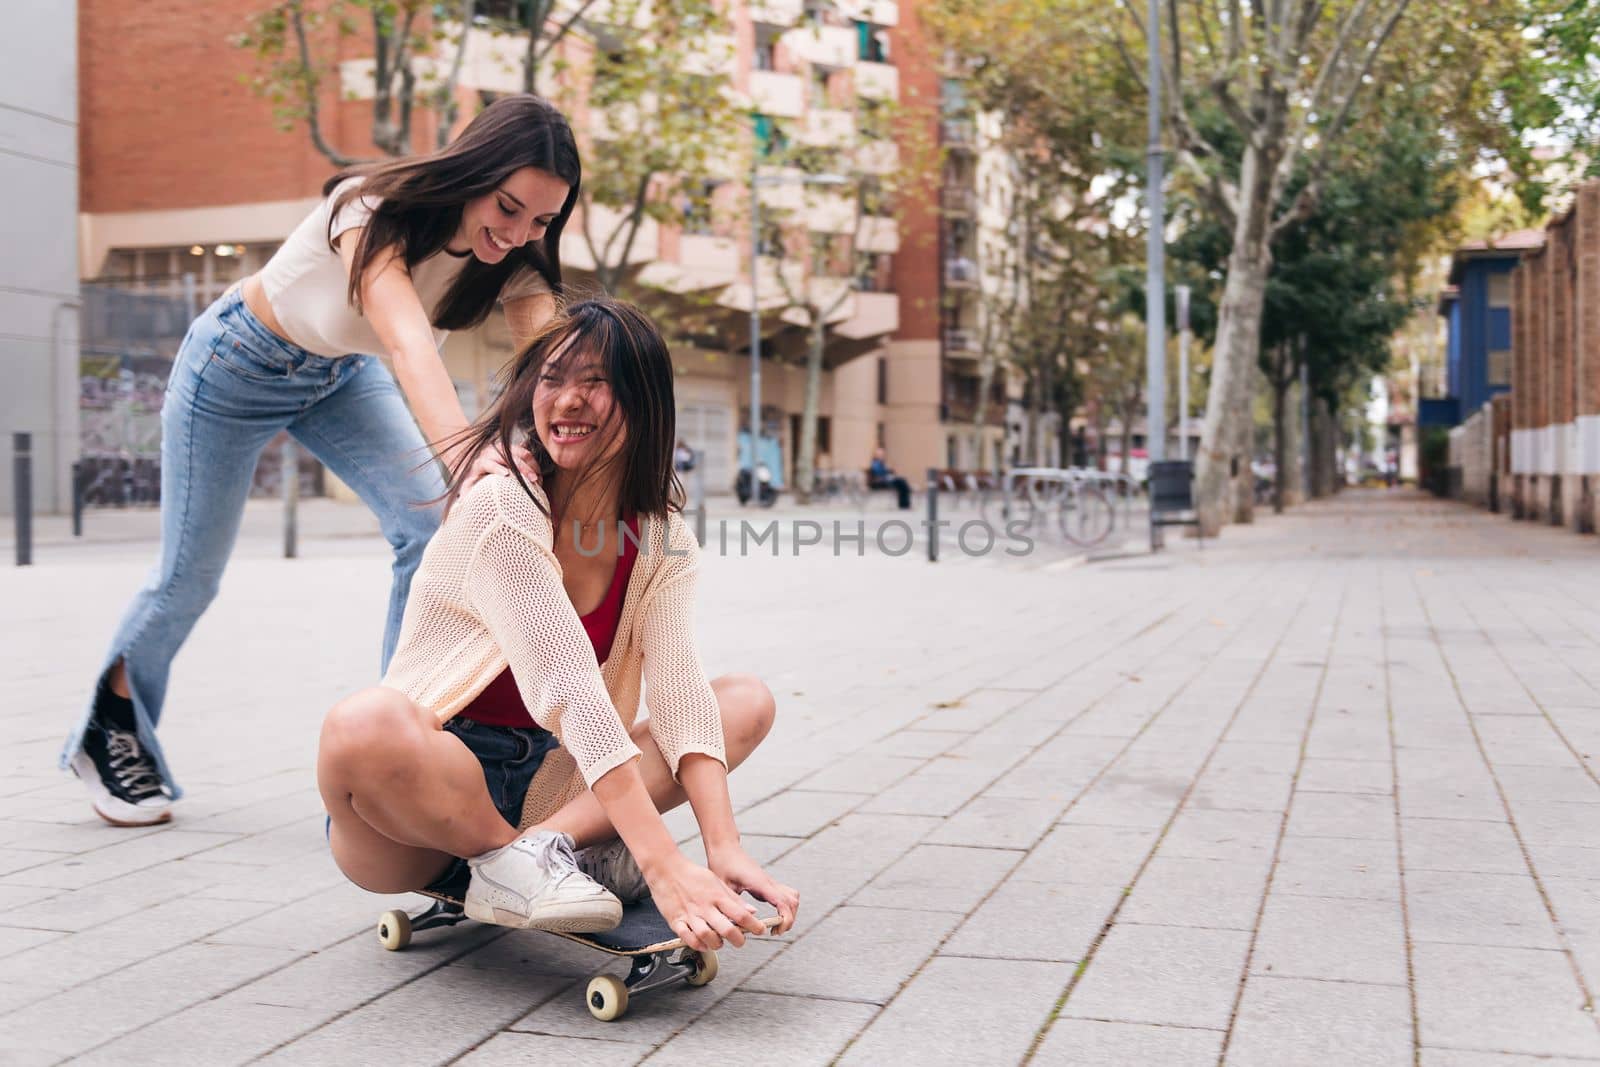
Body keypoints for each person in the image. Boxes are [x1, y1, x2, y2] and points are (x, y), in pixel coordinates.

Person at [62, 94, 580, 827]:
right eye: (508, 207)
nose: (519, 232)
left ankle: (398, 745)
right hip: (236, 365)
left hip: (341, 375)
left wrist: (570, 446)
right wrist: (474, 462)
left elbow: (547, 357)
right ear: (474, 170)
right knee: (190, 575)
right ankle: (111, 721)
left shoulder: (513, 256)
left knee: (427, 532)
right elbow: (403, 342)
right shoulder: (368, 207)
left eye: (542, 221)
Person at [316, 299, 800, 950]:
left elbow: (680, 692)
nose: (567, 399)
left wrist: (723, 845)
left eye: (595, 381)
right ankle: (523, 860)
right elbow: (569, 686)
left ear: (644, 399)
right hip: (425, 801)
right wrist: (658, 860)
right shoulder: (502, 506)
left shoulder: (658, 536)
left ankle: (544, 851)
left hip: (557, 783)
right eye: (551, 378)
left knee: (742, 701)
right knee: (361, 724)